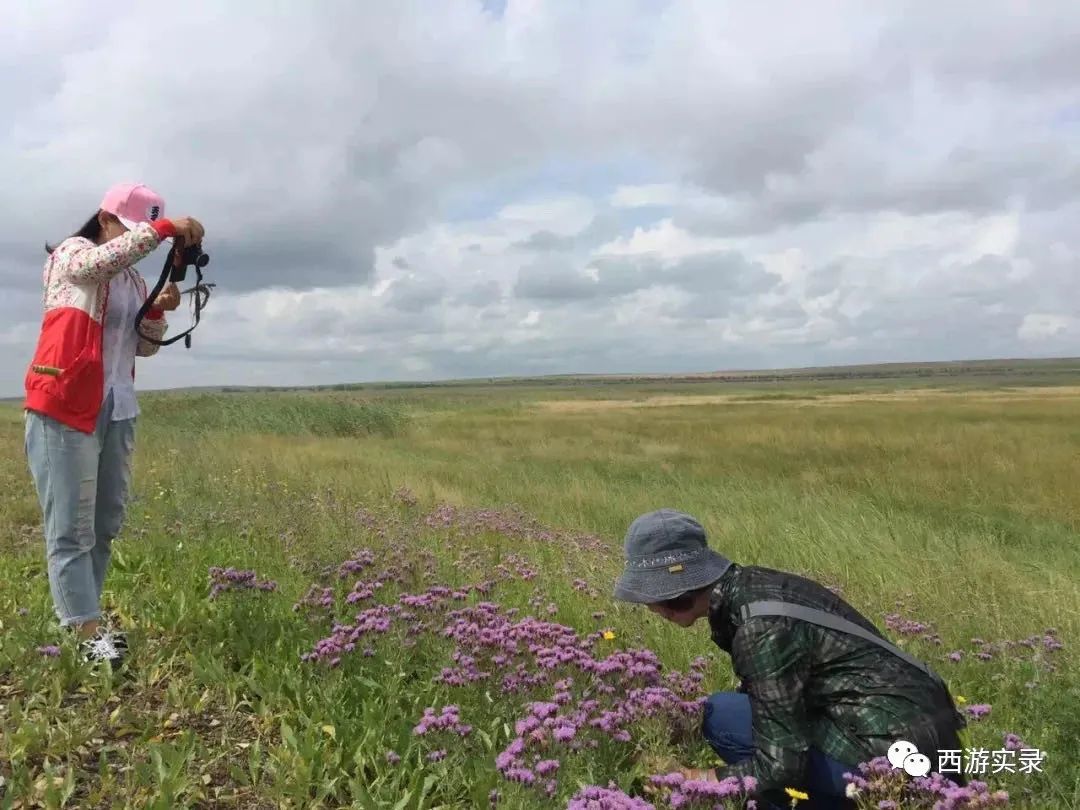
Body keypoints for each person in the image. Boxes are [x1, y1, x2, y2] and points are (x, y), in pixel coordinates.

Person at [614, 509, 967, 809]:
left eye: (654, 597)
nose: (651, 608)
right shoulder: (756, 587)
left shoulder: (759, 629)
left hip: (898, 764)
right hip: (930, 741)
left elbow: (780, 767)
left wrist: (699, 780)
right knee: (730, 709)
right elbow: (777, 698)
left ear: (675, 596)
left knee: (722, 717)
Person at [23, 182, 206, 667]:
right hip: (64, 402)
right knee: (69, 528)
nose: (140, 241)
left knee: (104, 524)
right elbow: (95, 267)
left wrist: (160, 313)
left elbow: (142, 347)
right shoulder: (73, 253)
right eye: (133, 229)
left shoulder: (133, 282)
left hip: (117, 407)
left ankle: (85, 619)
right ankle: (85, 634)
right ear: (106, 219)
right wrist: (164, 230)